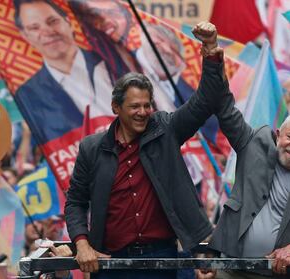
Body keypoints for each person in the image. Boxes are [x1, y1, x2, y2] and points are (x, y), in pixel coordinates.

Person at [64, 21, 224, 278]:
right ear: (116, 107)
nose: (142, 112)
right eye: (134, 106)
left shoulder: (165, 130)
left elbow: (204, 101)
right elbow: (75, 202)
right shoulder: (92, 148)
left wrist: (211, 50)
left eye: (147, 105)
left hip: (163, 260)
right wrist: (82, 244)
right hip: (111, 264)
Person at [205, 111, 290, 278]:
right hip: (230, 269)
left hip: (278, 274)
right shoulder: (252, 149)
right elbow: (227, 114)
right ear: (278, 135)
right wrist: (217, 84)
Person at [68, 0, 220, 143]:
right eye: (94, 18)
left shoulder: (150, 49)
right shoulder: (99, 70)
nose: (104, 22)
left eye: (111, 13)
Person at [13, 0, 118, 143]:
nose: (47, 32)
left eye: (53, 21)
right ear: (25, 36)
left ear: (68, 22)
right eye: (34, 28)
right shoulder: (28, 94)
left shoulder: (111, 61)